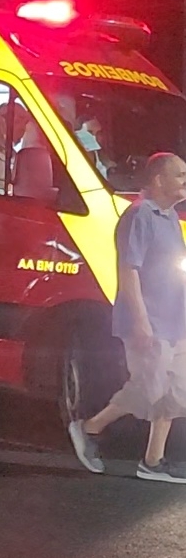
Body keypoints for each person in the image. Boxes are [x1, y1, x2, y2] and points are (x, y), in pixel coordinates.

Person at [68, 152, 186, 482]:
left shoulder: (169, 217)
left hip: (177, 321)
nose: (185, 182)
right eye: (180, 176)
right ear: (159, 180)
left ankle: (153, 462)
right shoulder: (138, 217)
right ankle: (89, 428)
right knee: (149, 389)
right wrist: (141, 321)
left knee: (177, 391)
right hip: (150, 321)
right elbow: (129, 271)